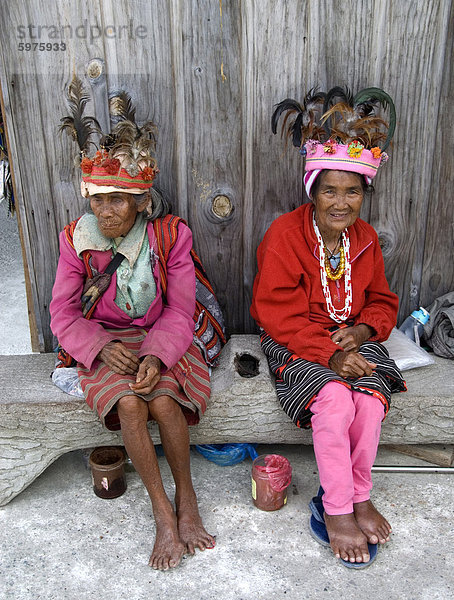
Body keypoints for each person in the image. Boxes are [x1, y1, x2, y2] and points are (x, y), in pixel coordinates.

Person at [50, 77, 215, 570]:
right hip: (105, 343)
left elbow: (181, 310)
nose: (106, 212)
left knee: (163, 398)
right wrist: (99, 347)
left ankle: (187, 499)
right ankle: (162, 513)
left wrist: (157, 354)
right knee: (127, 402)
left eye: (118, 200)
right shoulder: (75, 239)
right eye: (97, 199)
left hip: (162, 337)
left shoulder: (169, 237)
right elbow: (62, 313)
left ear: (141, 200)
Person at [251, 87, 406, 568]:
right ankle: (337, 510)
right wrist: (331, 353)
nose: (341, 203)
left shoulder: (365, 240)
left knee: (369, 403)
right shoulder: (284, 236)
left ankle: (357, 495)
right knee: (336, 400)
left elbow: (382, 301)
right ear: (312, 191)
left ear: (364, 194)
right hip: (296, 338)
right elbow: (276, 313)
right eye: (330, 190)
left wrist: (361, 333)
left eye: (353, 191)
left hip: (352, 336)